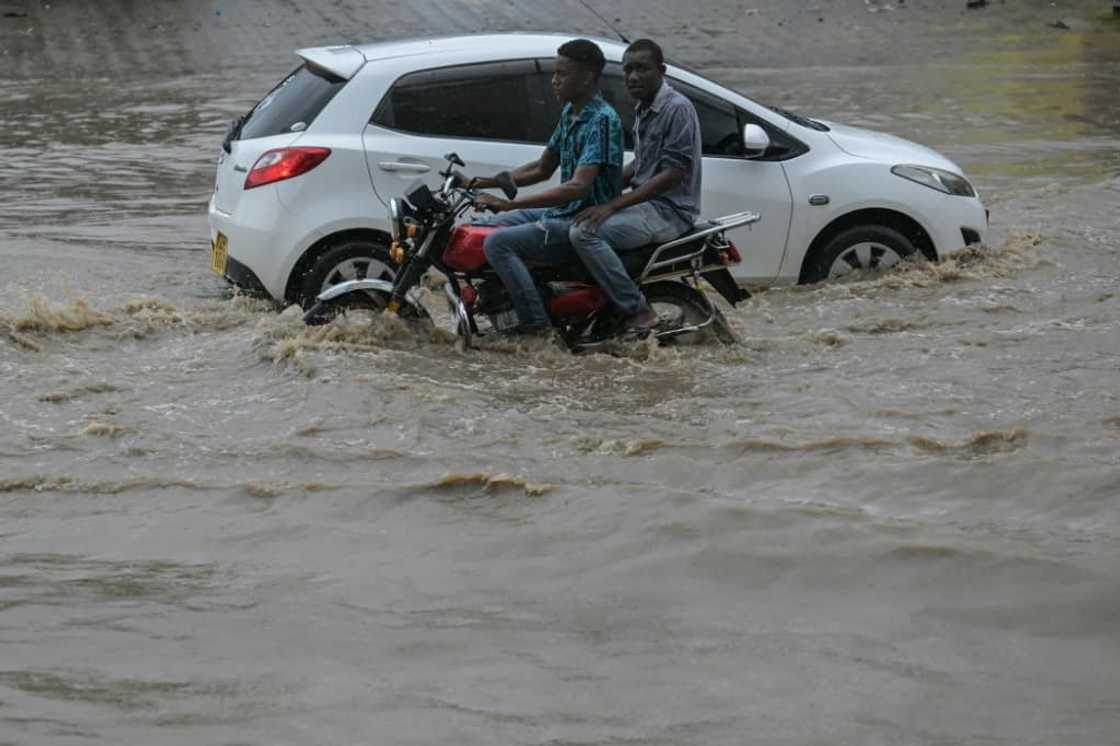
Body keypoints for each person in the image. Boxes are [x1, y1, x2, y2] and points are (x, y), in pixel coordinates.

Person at [470, 39, 625, 336]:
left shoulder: (602, 120)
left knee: (498, 244)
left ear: (587, 77)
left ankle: (536, 327)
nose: (554, 81)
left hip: (580, 219)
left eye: (562, 74)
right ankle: (500, 306)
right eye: (554, 73)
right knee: (488, 228)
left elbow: (578, 187)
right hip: (561, 211)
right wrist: (485, 182)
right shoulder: (570, 113)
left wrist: (512, 203)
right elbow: (542, 168)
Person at [570, 38, 704, 332]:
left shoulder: (677, 109)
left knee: (584, 234)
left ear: (661, 70)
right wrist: (598, 188)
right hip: (646, 206)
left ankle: (637, 310)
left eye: (642, 69)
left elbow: (673, 173)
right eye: (628, 70)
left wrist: (612, 205)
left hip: (669, 212)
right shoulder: (645, 109)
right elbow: (640, 166)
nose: (632, 77)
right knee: (573, 218)